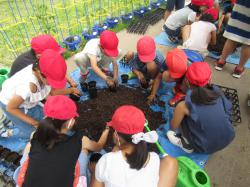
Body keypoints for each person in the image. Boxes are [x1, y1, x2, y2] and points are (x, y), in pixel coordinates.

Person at [15, 95, 110, 187]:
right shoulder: (81, 140)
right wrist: (106, 131)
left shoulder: (35, 135)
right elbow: (99, 146)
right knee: (84, 152)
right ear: (70, 122)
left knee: (28, 147)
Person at [90, 105, 178, 187]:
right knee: (171, 161)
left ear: (116, 136)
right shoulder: (155, 159)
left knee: (96, 170)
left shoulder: (106, 161)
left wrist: (96, 171)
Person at [166, 62, 235, 154]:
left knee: (173, 128)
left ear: (186, 81)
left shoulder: (183, 106)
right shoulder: (218, 92)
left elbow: (173, 127)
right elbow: (228, 111)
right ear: (209, 79)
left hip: (204, 147)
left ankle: (186, 144)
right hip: (228, 138)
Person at [0, 49, 67, 140]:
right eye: (52, 81)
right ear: (41, 74)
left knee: (43, 118)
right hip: (10, 104)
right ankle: (7, 132)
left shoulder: (41, 69)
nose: (53, 84)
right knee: (31, 133)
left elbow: (50, 92)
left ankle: (13, 121)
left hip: (25, 101)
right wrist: (34, 123)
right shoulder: (27, 87)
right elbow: (11, 108)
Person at [9, 34, 80, 96]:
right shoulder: (35, 66)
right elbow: (53, 92)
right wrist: (71, 90)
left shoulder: (40, 57)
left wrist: (70, 80)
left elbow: (56, 69)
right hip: (22, 93)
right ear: (39, 56)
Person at [215, 0, 250, 78]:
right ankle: (239, 69)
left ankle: (220, 62)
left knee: (232, 36)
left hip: (242, 4)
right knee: (248, 41)